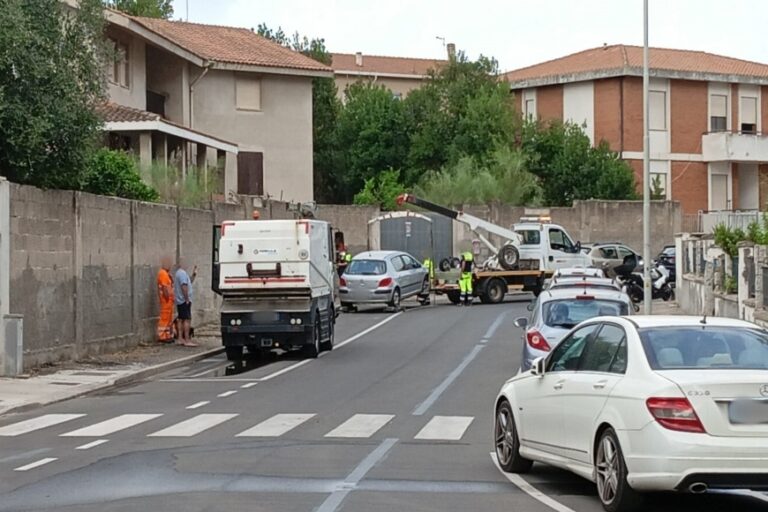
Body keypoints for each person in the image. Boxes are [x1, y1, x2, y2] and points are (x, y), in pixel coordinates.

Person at [174, 259, 198, 347]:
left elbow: (188, 283)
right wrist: (187, 298)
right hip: (184, 300)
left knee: (180, 319)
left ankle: (180, 338)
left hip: (180, 300)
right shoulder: (182, 274)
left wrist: (194, 274)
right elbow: (184, 286)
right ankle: (187, 340)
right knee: (187, 319)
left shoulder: (179, 273)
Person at [156, 256, 176, 343]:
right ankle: (162, 336)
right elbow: (164, 287)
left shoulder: (166, 274)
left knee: (168, 319)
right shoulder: (163, 273)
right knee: (165, 318)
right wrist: (167, 298)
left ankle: (167, 335)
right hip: (166, 300)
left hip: (169, 300)